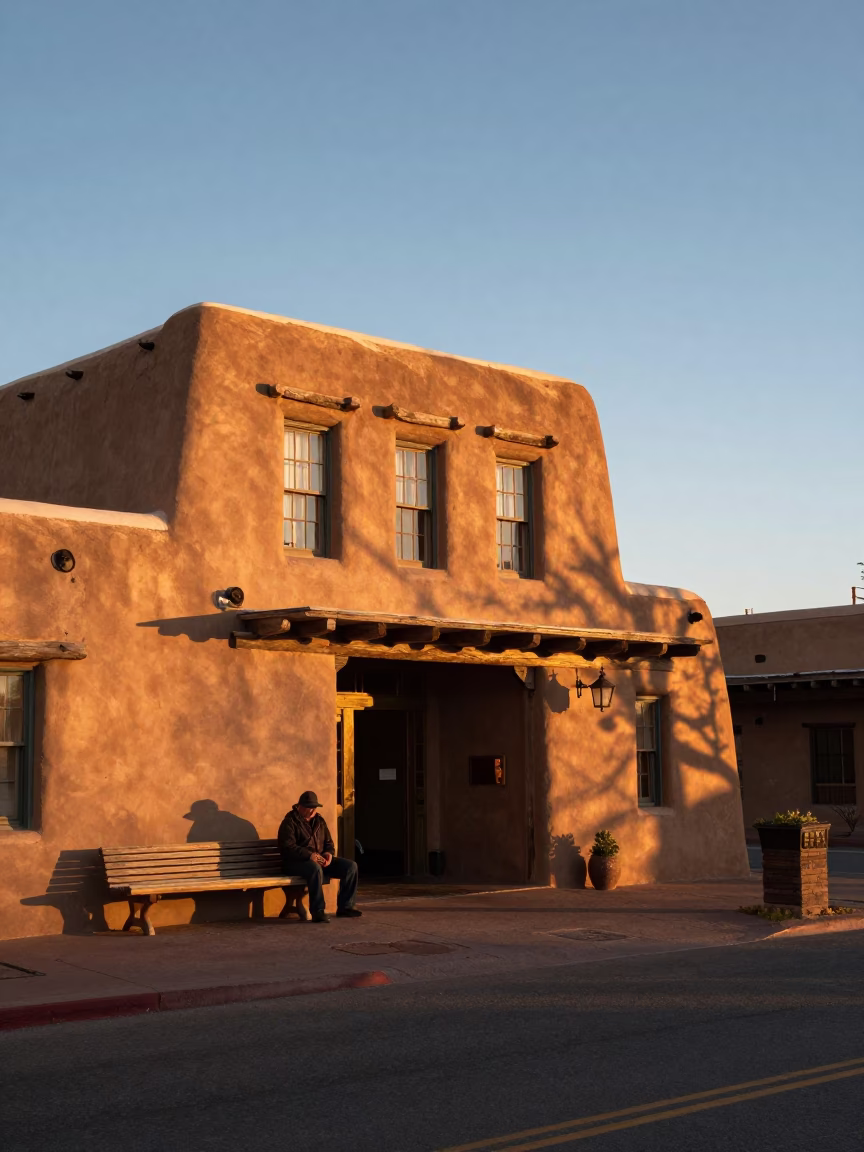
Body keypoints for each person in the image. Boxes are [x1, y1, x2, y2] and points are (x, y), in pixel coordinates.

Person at [277, 790, 361, 923]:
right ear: (299, 806)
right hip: (295, 863)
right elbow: (288, 847)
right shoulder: (289, 822)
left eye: (313, 808)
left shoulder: (320, 821)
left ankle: (346, 907)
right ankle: (318, 911)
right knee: (314, 868)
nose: (311, 811)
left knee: (351, 866)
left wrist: (328, 854)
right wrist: (309, 855)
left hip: (319, 861)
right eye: (307, 808)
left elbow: (329, 843)